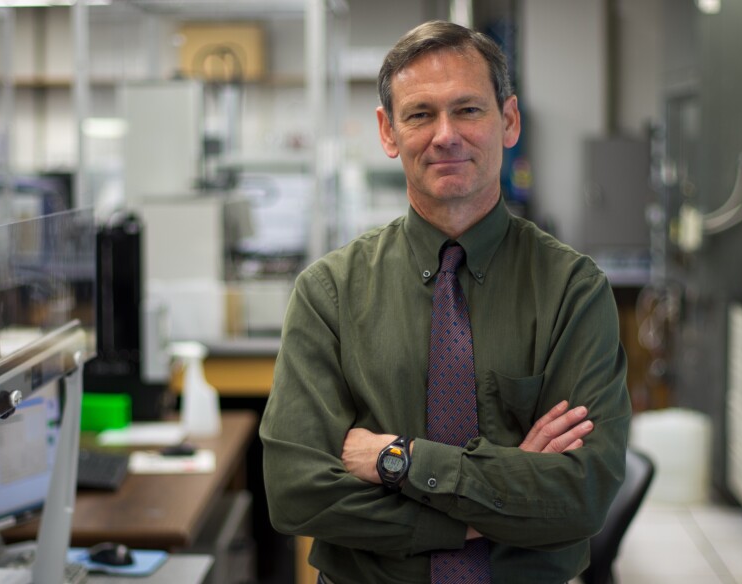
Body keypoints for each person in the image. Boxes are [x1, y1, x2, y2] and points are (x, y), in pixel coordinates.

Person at [260, 20, 631, 584]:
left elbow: (582, 494)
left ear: (509, 120)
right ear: (388, 132)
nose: (446, 135)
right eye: (420, 115)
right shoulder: (328, 294)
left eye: (468, 110)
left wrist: (397, 460)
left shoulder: (571, 291)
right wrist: (489, 508)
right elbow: (296, 493)